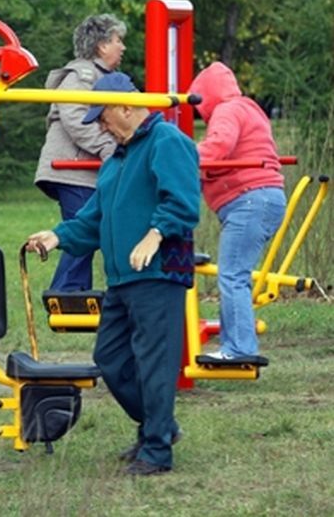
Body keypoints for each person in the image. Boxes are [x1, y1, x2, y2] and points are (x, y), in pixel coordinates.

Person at [26, 72, 200, 476]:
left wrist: (155, 235)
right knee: (110, 358)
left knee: (154, 363)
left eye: (102, 117)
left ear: (126, 108)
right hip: (123, 278)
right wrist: (57, 236)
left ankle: (156, 451)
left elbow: (183, 201)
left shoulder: (167, 142)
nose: (100, 126)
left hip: (158, 273)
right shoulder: (116, 160)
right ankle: (160, 426)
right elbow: (93, 220)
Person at [189, 62, 286, 364]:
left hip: (249, 200)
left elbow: (218, 147)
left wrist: (181, 156)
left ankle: (240, 348)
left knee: (233, 276)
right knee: (235, 274)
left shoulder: (227, 110)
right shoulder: (248, 108)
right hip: (261, 198)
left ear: (206, 95)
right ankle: (236, 343)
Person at [34, 14, 126, 292]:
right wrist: (108, 146)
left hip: (84, 170)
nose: (122, 47)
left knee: (88, 227)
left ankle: (71, 292)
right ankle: (67, 292)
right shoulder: (82, 75)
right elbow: (74, 117)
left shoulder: (105, 78)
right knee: (83, 228)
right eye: (117, 40)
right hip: (72, 169)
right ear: (101, 46)